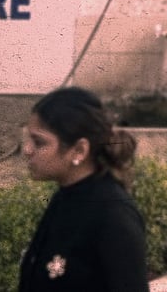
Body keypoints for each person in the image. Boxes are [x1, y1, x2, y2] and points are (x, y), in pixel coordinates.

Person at [16, 87, 148, 291]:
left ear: (79, 150)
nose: (27, 150)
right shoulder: (65, 198)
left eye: (39, 142)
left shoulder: (114, 216)